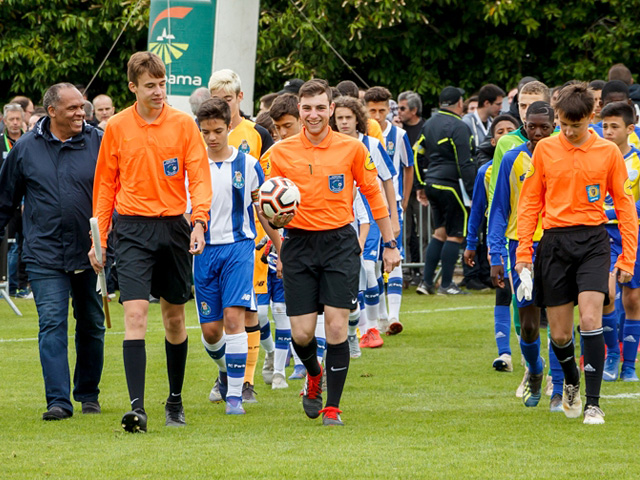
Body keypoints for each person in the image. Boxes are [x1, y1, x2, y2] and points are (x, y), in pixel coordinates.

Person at [91, 51, 213, 433]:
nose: (159, 91)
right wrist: (99, 236)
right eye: (150, 86)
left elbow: (199, 177)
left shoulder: (183, 124)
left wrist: (199, 222)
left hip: (174, 228)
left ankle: (174, 402)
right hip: (131, 229)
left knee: (174, 318)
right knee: (136, 314)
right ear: (133, 87)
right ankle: (137, 409)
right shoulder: (116, 126)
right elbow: (105, 184)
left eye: (163, 84)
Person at [269, 79, 401, 426]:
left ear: (331, 109)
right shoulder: (280, 152)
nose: (313, 115)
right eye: (307, 108)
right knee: (301, 333)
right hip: (298, 243)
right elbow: (264, 205)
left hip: (340, 242)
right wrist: (278, 245)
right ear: (300, 109)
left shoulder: (353, 149)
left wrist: (390, 245)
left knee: (337, 326)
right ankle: (314, 374)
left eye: (320, 108)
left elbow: (375, 195)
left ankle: (333, 407)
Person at [515, 83, 638, 425]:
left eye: (577, 125)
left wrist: (627, 256)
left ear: (591, 117)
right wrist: (524, 250)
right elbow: (530, 202)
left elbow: (626, 207)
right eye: (563, 124)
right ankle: (571, 381)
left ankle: (594, 404)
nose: (569, 131)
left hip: (594, 242)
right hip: (554, 242)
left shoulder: (608, 152)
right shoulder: (545, 150)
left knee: (590, 320)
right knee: (559, 335)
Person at [0, 83, 105, 421]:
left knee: (91, 323)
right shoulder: (25, 148)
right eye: (73, 107)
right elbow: (6, 200)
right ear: (52, 111)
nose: (81, 112)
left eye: (83, 106)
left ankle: (88, 393)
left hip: (90, 252)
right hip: (44, 253)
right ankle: (58, 401)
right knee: (52, 324)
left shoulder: (98, 141)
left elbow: (115, 192)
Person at [191, 97, 281, 414]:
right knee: (211, 331)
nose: (212, 137)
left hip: (239, 249)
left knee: (234, 319)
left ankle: (234, 396)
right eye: (205, 132)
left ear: (229, 126)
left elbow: (264, 209)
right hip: (204, 252)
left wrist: (281, 246)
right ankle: (226, 370)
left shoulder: (248, 165)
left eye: (217, 130)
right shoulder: (193, 165)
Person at [488, 101, 564, 411]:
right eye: (531, 126)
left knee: (560, 320)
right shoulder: (511, 158)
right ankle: (534, 370)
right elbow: (499, 210)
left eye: (544, 127)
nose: (537, 133)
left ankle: (558, 387)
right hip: (520, 248)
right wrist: (495, 254)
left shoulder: (564, 155)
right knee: (530, 324)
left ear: (554, 125)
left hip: (559, 243)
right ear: (524, 124)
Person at [208, 68, 274, 403]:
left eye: (227, 100)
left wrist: (270, 233)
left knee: (252, 312)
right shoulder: (202, 135)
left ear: (239, 98)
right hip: (210, 242)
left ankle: (245, 382)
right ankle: (225, 373)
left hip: (249, 238)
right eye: (215, 100)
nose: (221, 106)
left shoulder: (257, 133)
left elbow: (269, 188)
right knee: (216, 319)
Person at [330, 94, 397, 349]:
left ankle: (370, 327)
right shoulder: (331, 145)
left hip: (369, 215)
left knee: (367, 267)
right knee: (351, 272)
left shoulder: (371, 144)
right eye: (340, 118)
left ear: (358, 119)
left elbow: (387, 180)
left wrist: (392, 216)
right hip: (341, 215)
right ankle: (359, 326)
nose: (345, 122)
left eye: (349, 117)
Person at [463, 114, 519, 371]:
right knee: (503, 291)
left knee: (528, 299)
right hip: (500, 241)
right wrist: (471, 243)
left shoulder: (531, 164)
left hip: (529, 239)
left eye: (511, 129)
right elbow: (477, 211)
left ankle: (534, 355)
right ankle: (504, 354)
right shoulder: (486, 173)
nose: (505, 134)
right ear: (494, 139)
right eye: (500, 131)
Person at [415, 86, 475, 295]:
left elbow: (417, 154)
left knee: (439, 233)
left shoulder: (428, 124)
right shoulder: (459, 126)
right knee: (456, 234)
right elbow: (465, 162)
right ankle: (447, 284)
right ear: (459, 103)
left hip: (431, 183)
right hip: (450, 185)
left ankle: (426, 282)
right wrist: (473, 189)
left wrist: (420, 184)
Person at [364, 86, 414, 334]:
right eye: (372, 110)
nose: (377, 114)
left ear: (389, 108)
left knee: (393, 257)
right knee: (370, 263)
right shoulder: (365, 137)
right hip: (366, 205)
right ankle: (380, 315)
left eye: (381, 109)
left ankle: (393, 315)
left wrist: (402, 202)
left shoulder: (399, 134)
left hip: (390, 205)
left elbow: (408, 166)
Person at [599, 101, 640, 382]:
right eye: (604, 126)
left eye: (615, 126)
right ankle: (611, 354)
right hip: (603, 234)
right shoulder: (597, 157)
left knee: (633, 298)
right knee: (605, 292)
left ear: (630, 129)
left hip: (632, 233)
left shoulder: (638, 160)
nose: (608, 132)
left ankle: (629, 365)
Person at [462, 84, 505, 149]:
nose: (501, 107)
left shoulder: (492, 122)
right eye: (498, 104)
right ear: (486, 103)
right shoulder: (467, 122)